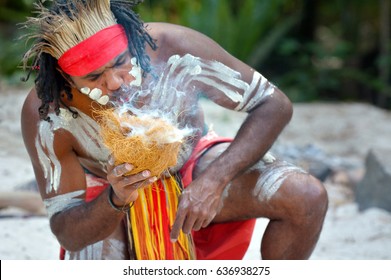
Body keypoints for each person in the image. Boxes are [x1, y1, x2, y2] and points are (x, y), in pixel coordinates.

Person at [20, 0, 328, 260]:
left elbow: (274, 104)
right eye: (94, 77)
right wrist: (116, 197)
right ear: (64, 76)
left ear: (130, 41)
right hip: (110, 191)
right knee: (92, 251)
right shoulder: (48, 113)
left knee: (305, 196)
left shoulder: (171, 47)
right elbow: (67, 231)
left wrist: (213, 181)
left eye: (120, 63)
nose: (114, 82)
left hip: (192, 161)